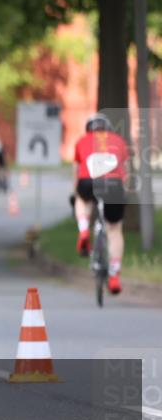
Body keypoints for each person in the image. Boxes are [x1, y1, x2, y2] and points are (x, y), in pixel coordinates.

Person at [73, 113, 129, 294]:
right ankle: (114, 276)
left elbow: (76, 171)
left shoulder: (82, 141)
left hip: (89, 182)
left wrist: (76, 190)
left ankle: (83, 229)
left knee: (82, 198)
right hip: (114, 184)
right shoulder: (119, 140)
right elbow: (125, 171)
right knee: (114, 229)